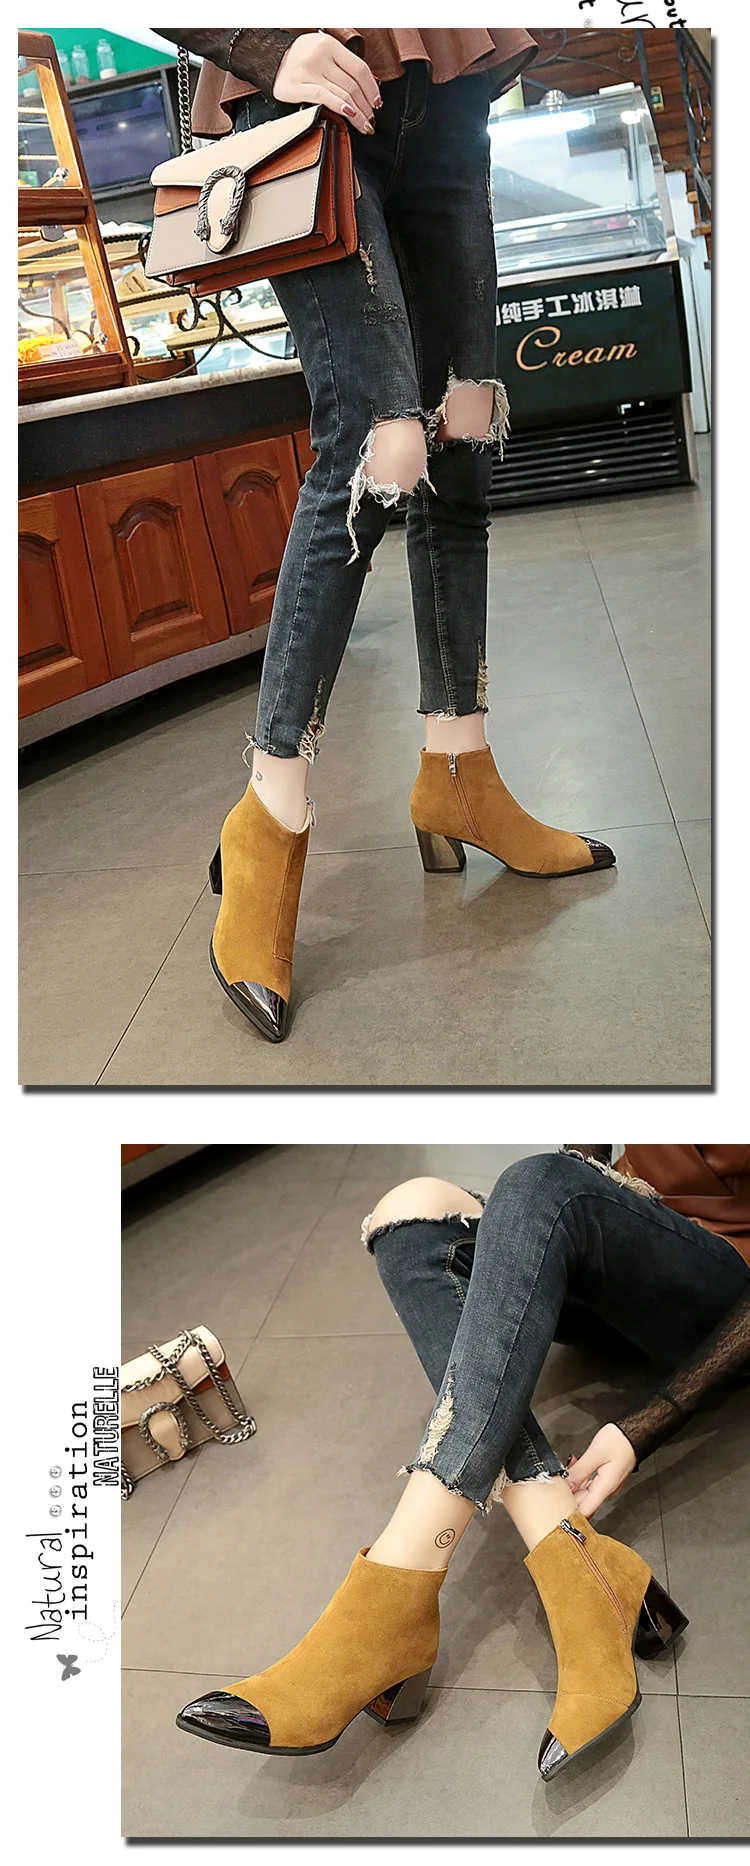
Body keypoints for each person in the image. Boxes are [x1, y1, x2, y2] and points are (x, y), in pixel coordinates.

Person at [155, 29, 615, 1040]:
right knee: (380, 446)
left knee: (461, 432)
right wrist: (260, 44)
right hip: (306, 94)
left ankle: (460, 772)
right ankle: (269, 811)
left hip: (446, 91)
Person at [176, 1145, 749, 1778]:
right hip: (619, 1254)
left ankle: (393, 1603)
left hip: (722, 1298)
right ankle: (585, 1568)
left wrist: (649, 1422)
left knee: (539, 1183)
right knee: (408, 1211)